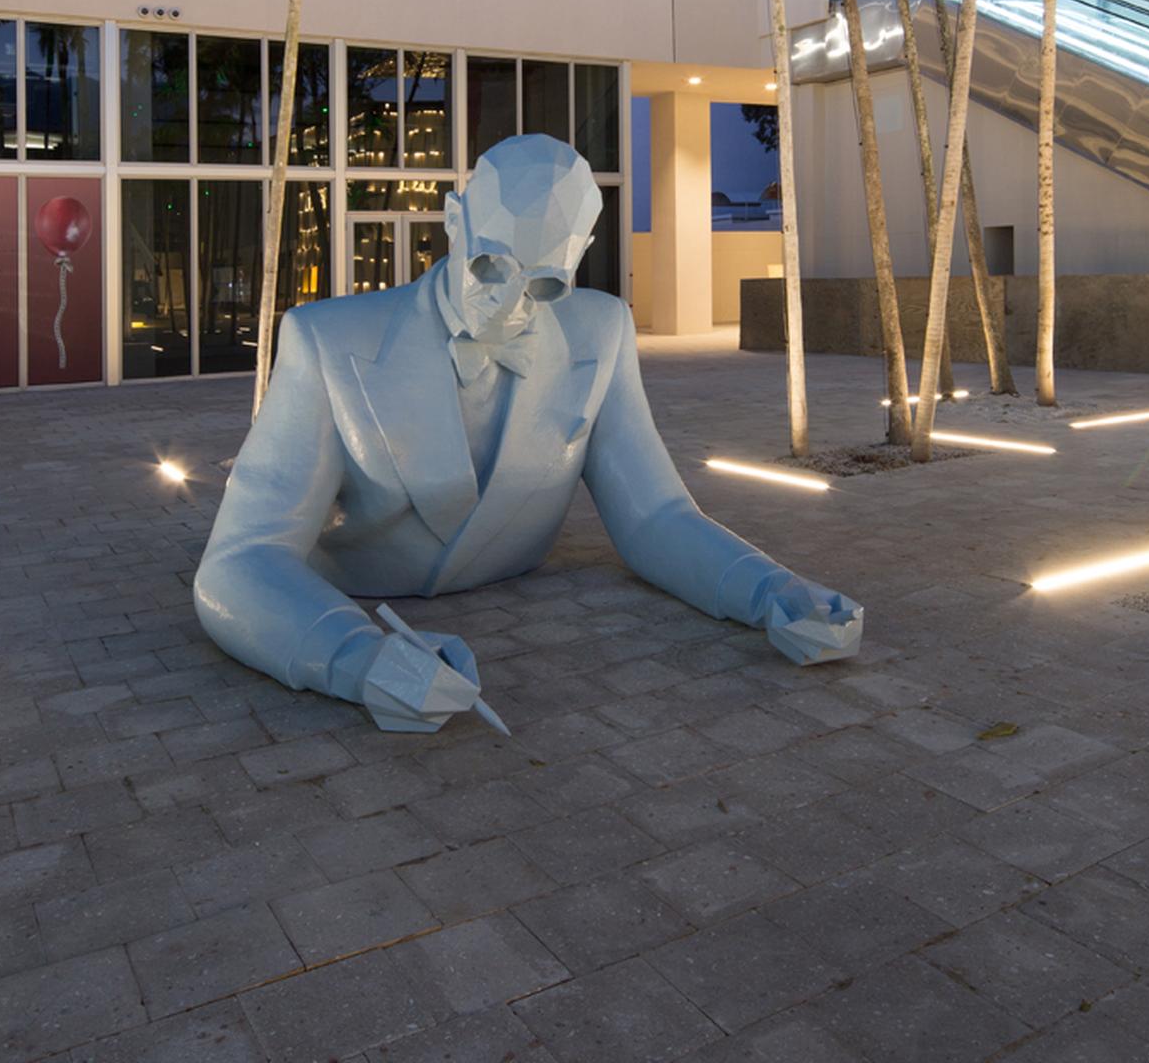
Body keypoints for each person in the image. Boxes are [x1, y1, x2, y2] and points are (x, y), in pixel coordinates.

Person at [194, 134, 862, 730]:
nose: (511, 306)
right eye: (491, 268)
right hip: (371, 592)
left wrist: (773, 592)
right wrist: (357, 658)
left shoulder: (600, 332)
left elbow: (656, 514)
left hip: (528, 588)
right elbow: (240, 561)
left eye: (544, 286)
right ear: (454, 221)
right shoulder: (328, 341)